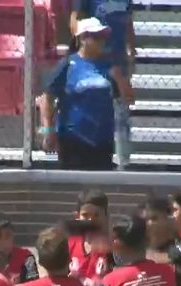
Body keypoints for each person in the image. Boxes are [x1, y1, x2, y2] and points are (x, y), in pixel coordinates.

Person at [39, 18, 121, 171]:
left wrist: (120, 79)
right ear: (83, 38)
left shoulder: (108, 66)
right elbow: (47, 98)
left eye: (103, 36)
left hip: (102, 139)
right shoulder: (68, 65)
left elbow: (125, 97)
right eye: (96, 37)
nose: (101, 41)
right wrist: (48, 130)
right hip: (73, 138)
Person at [71, 0, 136, 169]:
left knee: (122, 110)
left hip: (118, 59)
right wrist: (84, 47)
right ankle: (89, 154)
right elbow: (76, 19)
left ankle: (123, 161)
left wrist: (131, 49)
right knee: (94, 105)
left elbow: (128, 22)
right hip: (96, 58)